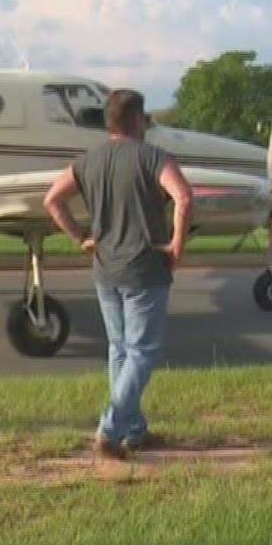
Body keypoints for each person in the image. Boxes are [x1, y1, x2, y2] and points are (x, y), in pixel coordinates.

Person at [42, 88, 194, 460]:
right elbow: (184, 196)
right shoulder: (153, 158)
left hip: (105, 268)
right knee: (142, 352)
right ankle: (109, 432)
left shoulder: (88, 161)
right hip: (144, 267)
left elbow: (52, 200)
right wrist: (177, 243)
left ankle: (134, 430)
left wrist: (80, 237)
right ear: (137, 119)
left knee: (120, 350)